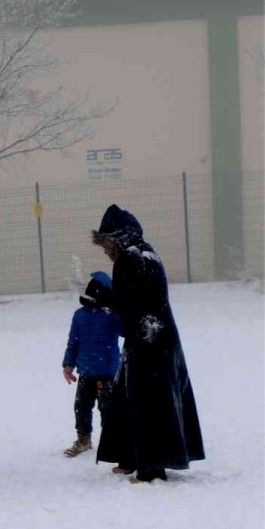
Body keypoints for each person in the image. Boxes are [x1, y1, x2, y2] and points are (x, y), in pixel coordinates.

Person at [91, 204, 204, 483]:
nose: (104, 249)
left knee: (147, 402)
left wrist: (102, 296)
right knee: (127, 398)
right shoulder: (148, 254)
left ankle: (150, 468)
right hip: (159, 337)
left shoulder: (129, 259)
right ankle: (130, 456)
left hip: (148, 340)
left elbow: (130, 305)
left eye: (106, 242)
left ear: (119, 237)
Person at [60, 272, 121, 458]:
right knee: (82, 406)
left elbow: (125, 331)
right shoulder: (79, 315)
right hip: (86, 370)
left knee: (107, 408)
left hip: (106, 372)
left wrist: (117, 311)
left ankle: (112, 441)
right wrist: (68, 364)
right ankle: (84, 438)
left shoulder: (112, 315)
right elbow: (73, 341)